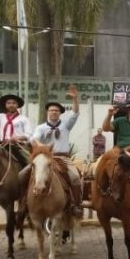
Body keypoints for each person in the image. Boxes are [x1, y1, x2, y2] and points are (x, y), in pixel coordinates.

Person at [25, 85, 83, 216]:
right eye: (51, 110)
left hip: (63, 158)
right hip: (45, 159)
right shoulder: (40, 128)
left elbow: (75, 114)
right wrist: (43, 147)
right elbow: (33, 140)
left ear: (60, 113)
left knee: (75, 177)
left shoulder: (65, 126)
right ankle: (25, 203)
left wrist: (75, 99)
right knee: (24, 174)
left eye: (56, 110)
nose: (54, 112)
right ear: (47, 112)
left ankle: (76, 205)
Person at [99, 101, 130, 211]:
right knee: (100, 165)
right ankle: (101, 193)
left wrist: (126, 149)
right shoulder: (120, 121)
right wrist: (109, 114)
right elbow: (105, 128)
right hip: (118, 150)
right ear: (129, 111)